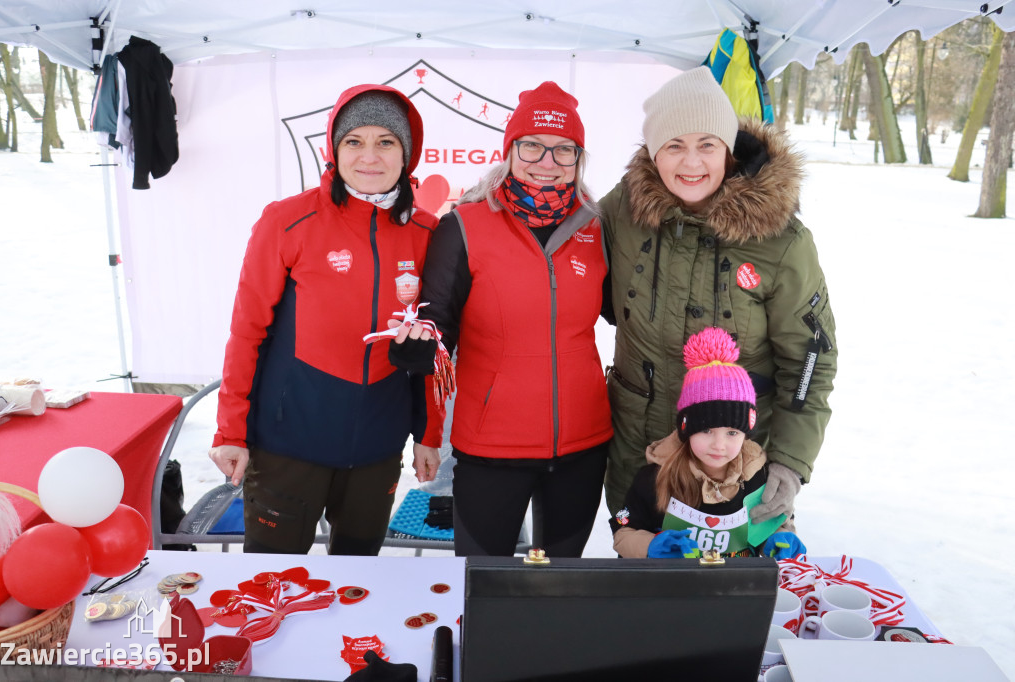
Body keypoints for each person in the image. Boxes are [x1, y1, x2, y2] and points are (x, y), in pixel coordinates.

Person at [208, 84, 443, 556]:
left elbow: (432, 346)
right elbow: (246, 331)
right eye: (354, 141)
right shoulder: (287, 220)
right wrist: (230, 429)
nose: (369, 156)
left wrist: (429, 435)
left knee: (358, 580)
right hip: (288, 445)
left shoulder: (426, 232)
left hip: (378, 449)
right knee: (269, 581)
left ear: (407, 153)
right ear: (334, 150)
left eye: (386, 141)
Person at [600, 67, 837, 529]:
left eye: (707, 144)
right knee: (638, 587)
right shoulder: (623, 210)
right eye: (674, 145)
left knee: (731, 595)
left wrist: (788, 462)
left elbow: (811, 360)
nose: (691, 163)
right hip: (642, 459)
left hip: (739, 471)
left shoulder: (781, 240)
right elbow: (554, 241)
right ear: (652, 152)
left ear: (729, 149)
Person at [396, 81, 612, 557]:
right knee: (483, 586)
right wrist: (428, 432)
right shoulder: (464, 226)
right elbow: (437, 336)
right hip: (491, 447)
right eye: (532, 146)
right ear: (510, 150)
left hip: (582, 442)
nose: (547, 162)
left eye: (563, 151)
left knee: (559, 586)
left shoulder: (597, 227)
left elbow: (627, 311)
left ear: (580, 159)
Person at [610, 327, 805, 559]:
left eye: (732, 433)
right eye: (706, 430)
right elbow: (623, 530)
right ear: (686, 429)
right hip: (674, 589)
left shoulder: (759, 477)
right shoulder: (655, 478)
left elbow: (777, 523)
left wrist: (780, 538)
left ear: (746, 433)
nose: (719, 445)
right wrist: (650, 545)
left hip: (738, 588)